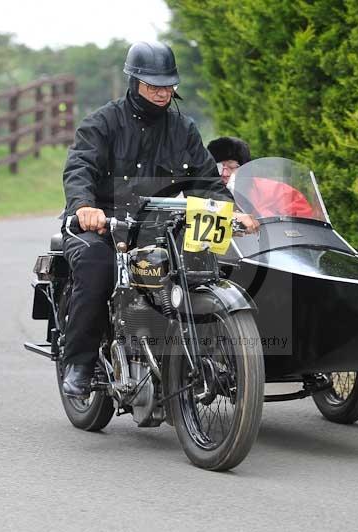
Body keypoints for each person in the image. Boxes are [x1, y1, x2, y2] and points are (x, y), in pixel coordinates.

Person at [60, 42, 245, 398]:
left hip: (158, 227)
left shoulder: (184, 129)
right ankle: (80, 363)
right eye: (153, 85)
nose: (162, 93)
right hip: (102, 225)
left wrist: (231, 210)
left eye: (168, 85)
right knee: (97, 267)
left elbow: (206, 183)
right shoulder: (103, 122)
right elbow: (80, 166)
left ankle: (206, 354)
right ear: (134, 81)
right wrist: (84, 206)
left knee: (206, 266)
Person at [207, 136, 315, 219]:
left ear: (245, 168)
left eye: (232, 167)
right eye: (219, 167)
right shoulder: (201, 192)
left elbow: (304, 222)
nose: (224, 173)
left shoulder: (275, 191)